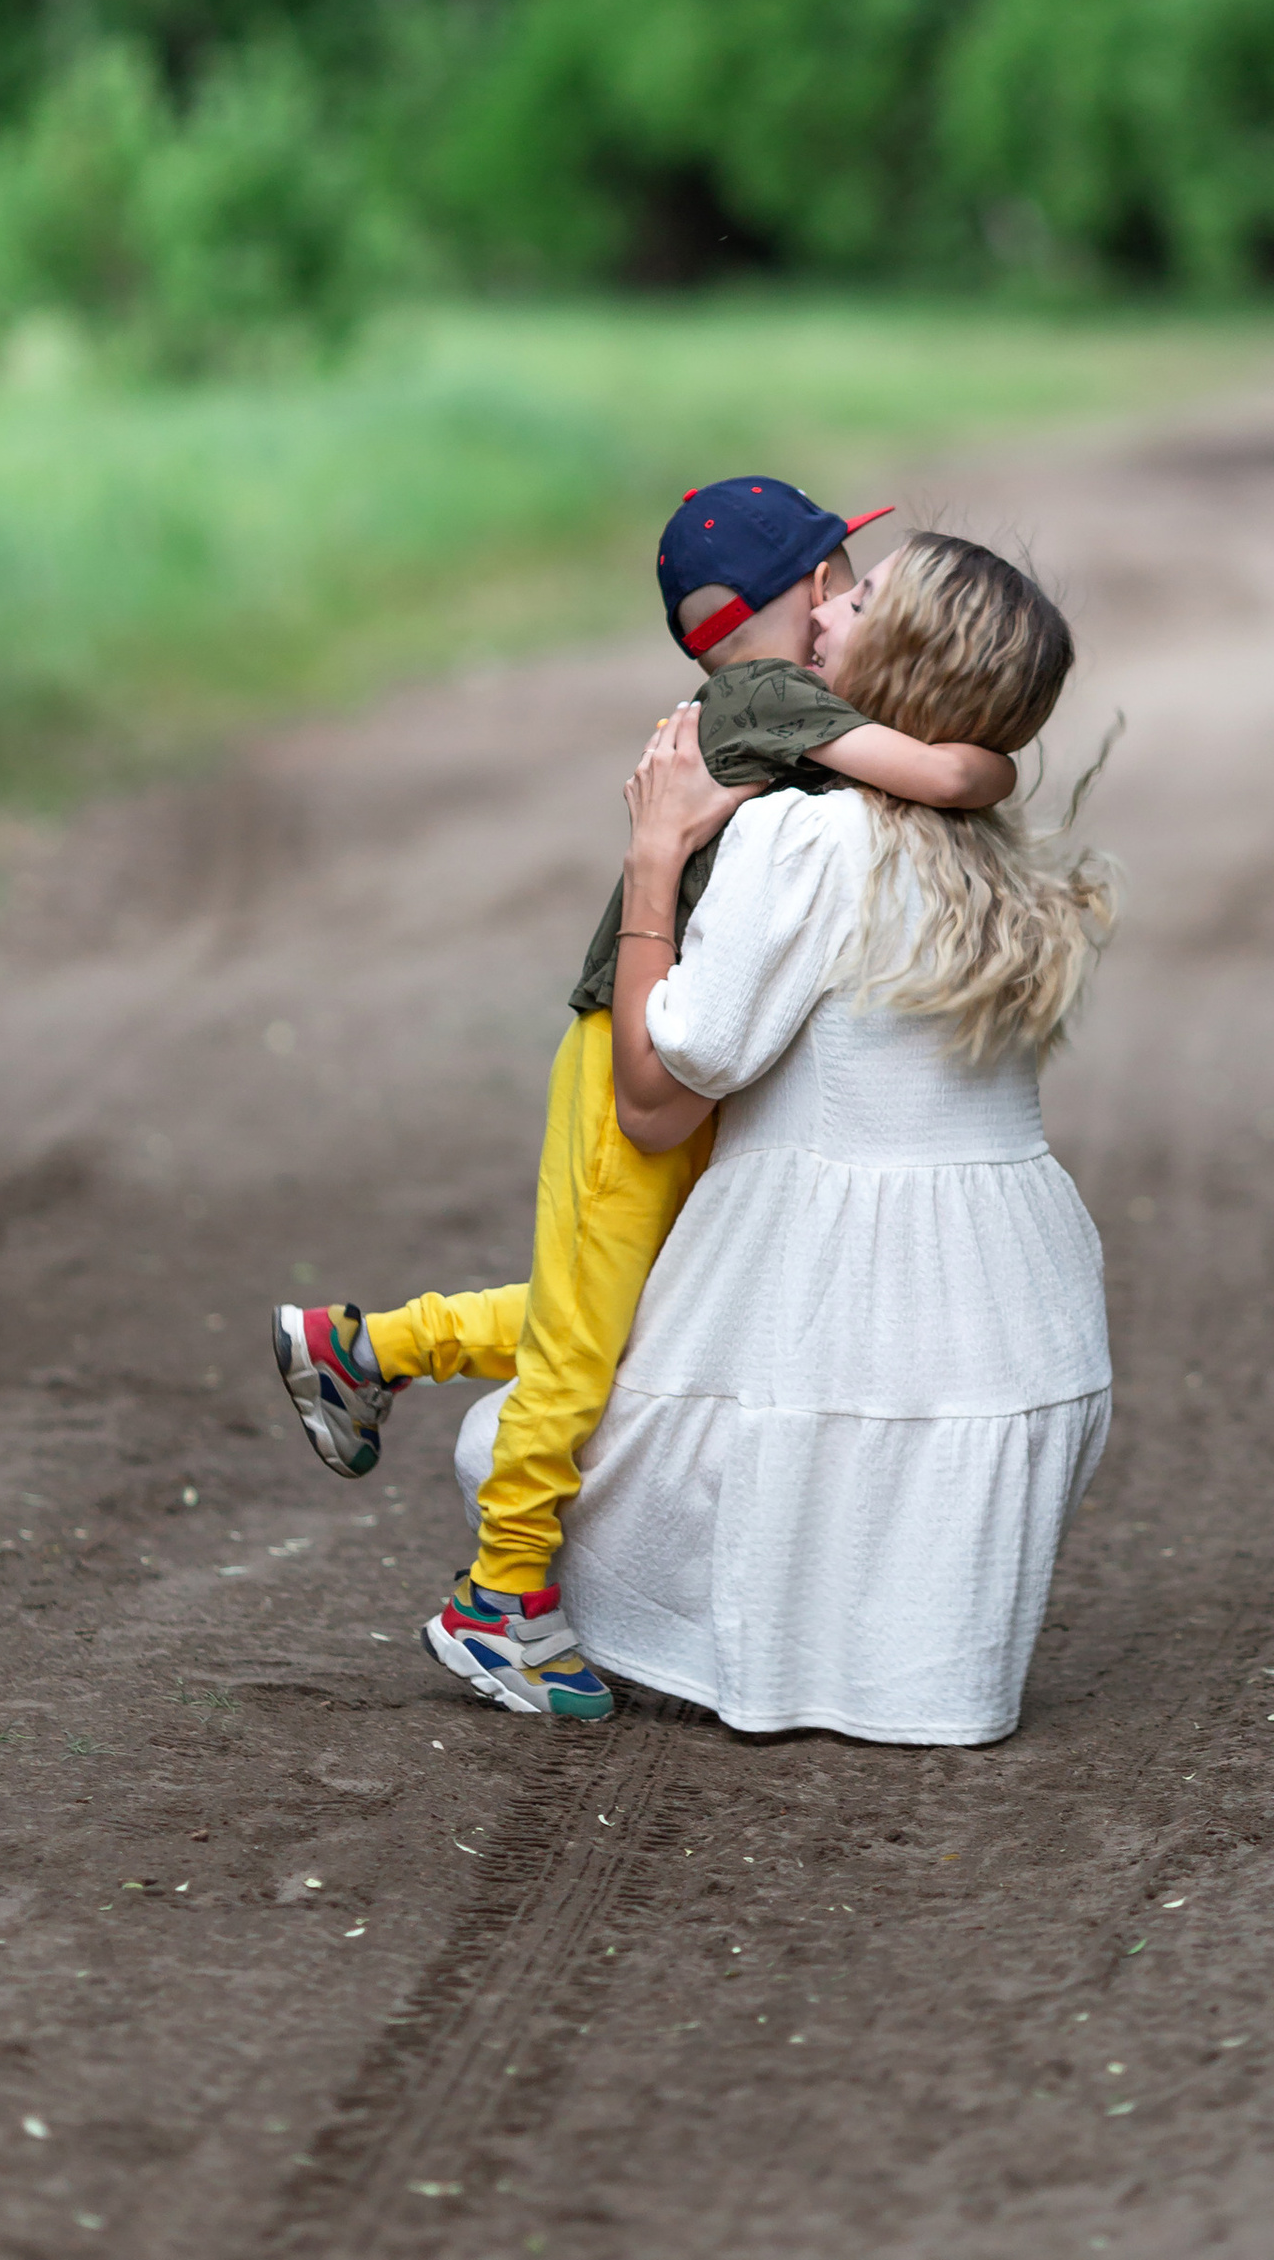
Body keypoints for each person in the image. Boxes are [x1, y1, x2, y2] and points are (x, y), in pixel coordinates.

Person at [268, 476, 1020, 1722]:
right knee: (589, 1333)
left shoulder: (753, 703)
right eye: (845, 574)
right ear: (811, 590)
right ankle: (498, 1598)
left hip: (657, 1025)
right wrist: (1001, 756)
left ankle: (367, 1348)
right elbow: (947, 776)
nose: (849, 594)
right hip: (642, 1031)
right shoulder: (775, 702)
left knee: (642, 1307)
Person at [445, 530, 1116, 1745]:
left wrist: (655, 862)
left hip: (833, 1285)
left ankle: (677, 1618)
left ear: (904, 661)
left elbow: (655, 1101)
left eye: (856, 604)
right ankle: (908, 1668)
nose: (816, 619)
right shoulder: (1007, 869)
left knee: (500, 1441)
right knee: (848, 1433)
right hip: (1015, 1312)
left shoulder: (805, 839)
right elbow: (975, 780)